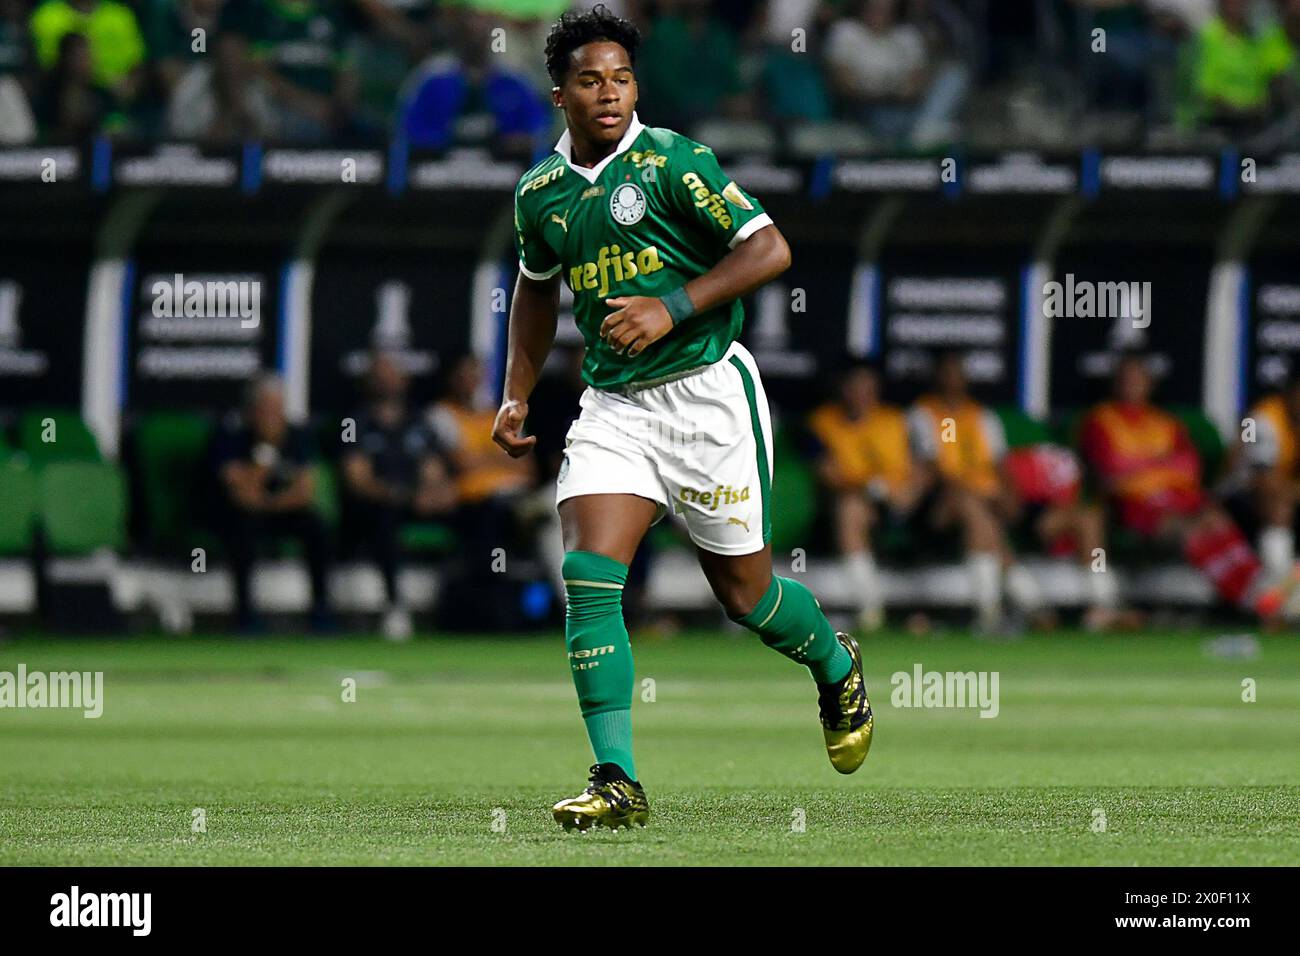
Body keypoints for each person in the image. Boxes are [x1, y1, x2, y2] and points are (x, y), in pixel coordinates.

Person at [493, 4, 873, 833]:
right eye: (590, 81)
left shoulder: (674, 162)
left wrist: (672, 305)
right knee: (590, 579)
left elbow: (769, 248)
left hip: (706, 398)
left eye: (622, 78)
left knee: (748, 598)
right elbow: (535, 287)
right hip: (614, 410)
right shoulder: (540, 194)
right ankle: (617, 779)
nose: (609, 93)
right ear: (560, 94)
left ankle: (835, 662)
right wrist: (518, 389)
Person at [1081, 355, 1299, 622]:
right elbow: (1111, 473)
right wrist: (1161, 466)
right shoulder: (1100, 420)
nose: (1133, 384)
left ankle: (1268, 591)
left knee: (1216, 522)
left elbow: (1189, 467)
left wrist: (1142, 466)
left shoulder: (1166, 423)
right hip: (1135, 508)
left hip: (1183, 500)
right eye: (1127, 378)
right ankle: (1259, 601)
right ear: (1115, 383)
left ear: (1151, 383)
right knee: (1194, 530)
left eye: (1139, 378)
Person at [907, 352, 1115, 631]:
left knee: (1086, 517)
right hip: (945, 507)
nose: (953, 379)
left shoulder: (982, 416)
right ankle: (992, 612)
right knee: (974, 510)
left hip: (993, 501)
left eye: (958, 372)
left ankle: (1101, 606)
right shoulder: (922, 414)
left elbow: (1000, 464)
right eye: (947, 372)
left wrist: (1011, 495)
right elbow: (935, 470)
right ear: (936, 377)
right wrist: (981, 495)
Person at [341, 352, 456, 641]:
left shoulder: (419, 419)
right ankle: (395, 605)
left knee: (474, 515)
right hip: (373, 507)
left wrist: (437, 494)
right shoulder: (355, 422)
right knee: (384, 520)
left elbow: (434, 470)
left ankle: (470, 607)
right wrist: (407, 497)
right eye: (379, 374)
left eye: (392, 373)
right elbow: (359, 481)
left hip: (416, 501)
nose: (386, 381)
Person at [212, 374, 333, 632]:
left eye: (277, 407)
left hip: (278, 509)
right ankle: (246, 614)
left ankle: (321, 610)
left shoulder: (297, 434)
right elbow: (242, 495)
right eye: (265, 407)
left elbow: (304, 492)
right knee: (241, 529)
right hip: (237, 513)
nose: (272, 415)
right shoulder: (231, 434)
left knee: (316, 526)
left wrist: (272, 504)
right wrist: (265, 455)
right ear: (252, 409)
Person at [807, 362, 920, 631]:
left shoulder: (896, 420)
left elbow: (924, 466)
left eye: (867, 387)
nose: (861, 394)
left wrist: (911, 494)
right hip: (848, 503)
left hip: (907, 507)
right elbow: (826, 472)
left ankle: (993, 616)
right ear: (842, 389)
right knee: (851, 509)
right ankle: (870, 609)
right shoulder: (821, 422)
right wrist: (872, 488)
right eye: (854, 386)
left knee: (973, 508)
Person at [1222, 374, 1300, 587]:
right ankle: (1280, 587)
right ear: (1290, 393)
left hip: (1282, 491)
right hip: (1237, 492)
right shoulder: (1259, 419)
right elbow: (1263, 480)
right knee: (1278, 505)